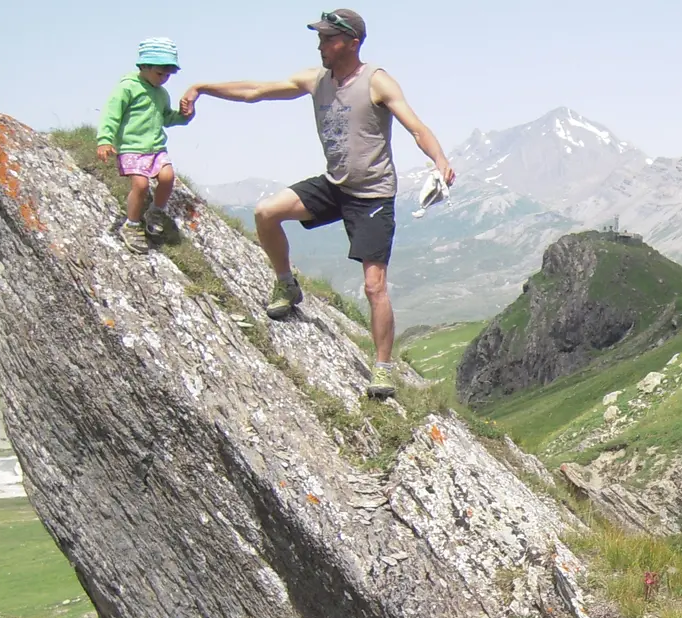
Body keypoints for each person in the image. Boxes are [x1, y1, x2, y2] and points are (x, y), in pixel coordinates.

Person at [178, 9, 456, 397]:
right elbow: (256, 91)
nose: (320, 44)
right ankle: (286, 285)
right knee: (266, 212)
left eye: (328, 38)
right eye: (320, 38)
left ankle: (382, 369)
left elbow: (416, 127)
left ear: (352, 42)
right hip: (334, 185)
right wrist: (203, 87)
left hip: (373, 195)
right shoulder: (316, 79)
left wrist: (439, 160)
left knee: (374, 286)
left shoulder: (377, 82)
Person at [96, 38, 190, 254]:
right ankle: (131, 224)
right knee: (140, 185)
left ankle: (155, 212)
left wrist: (184, 116)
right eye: (160, 73)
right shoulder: (127, 88)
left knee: (167, 177)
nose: (164, 79)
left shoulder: (161, 93)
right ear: (144, 66)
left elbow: (166, 118)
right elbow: (111, 115)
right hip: (131, 147)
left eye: (168, 75)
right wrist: (105, 140)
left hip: (156, 148)